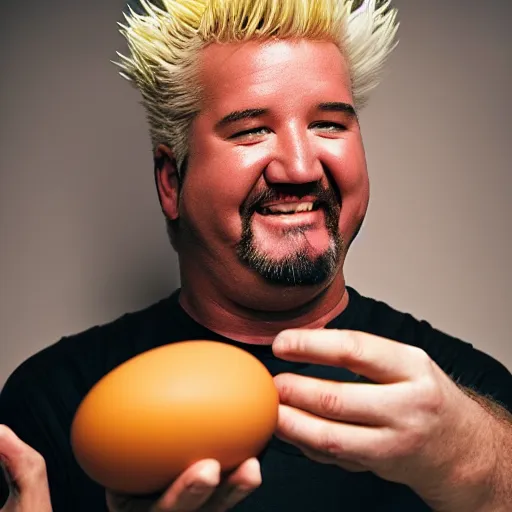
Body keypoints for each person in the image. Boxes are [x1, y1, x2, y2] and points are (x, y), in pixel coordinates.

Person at [1, 0, 511, 510]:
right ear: (172, 182)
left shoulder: (460, 398)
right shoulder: (51, 409)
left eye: (329, 124)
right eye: (251, 130)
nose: (300, 167)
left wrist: (478, 464)